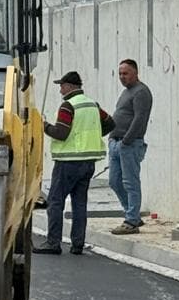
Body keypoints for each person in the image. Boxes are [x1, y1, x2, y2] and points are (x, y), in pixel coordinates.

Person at [35, 70, 113, 256]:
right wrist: (93, 135)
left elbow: (61, 133)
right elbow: (111, 124)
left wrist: (43, 125)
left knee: (55, 202)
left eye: (62, 86)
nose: (60, 90)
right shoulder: (92, 105)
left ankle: (53, 243)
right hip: (88, 162)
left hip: (68, 162)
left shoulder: (67, 107)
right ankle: (77, 244)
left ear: (70, 87)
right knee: (79, 203)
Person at [108, 57, 153, 236]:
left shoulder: (141, 92)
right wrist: (112, 138)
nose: (122, 77)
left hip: (129, 145)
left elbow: (140, 119)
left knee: (130, 182)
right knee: (114, 181)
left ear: (135, 73)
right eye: (120, 73)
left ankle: (131, 220)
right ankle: (132, 214)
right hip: (116, 143)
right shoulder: (126, 92)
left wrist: (126, 140)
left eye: (125, 73)